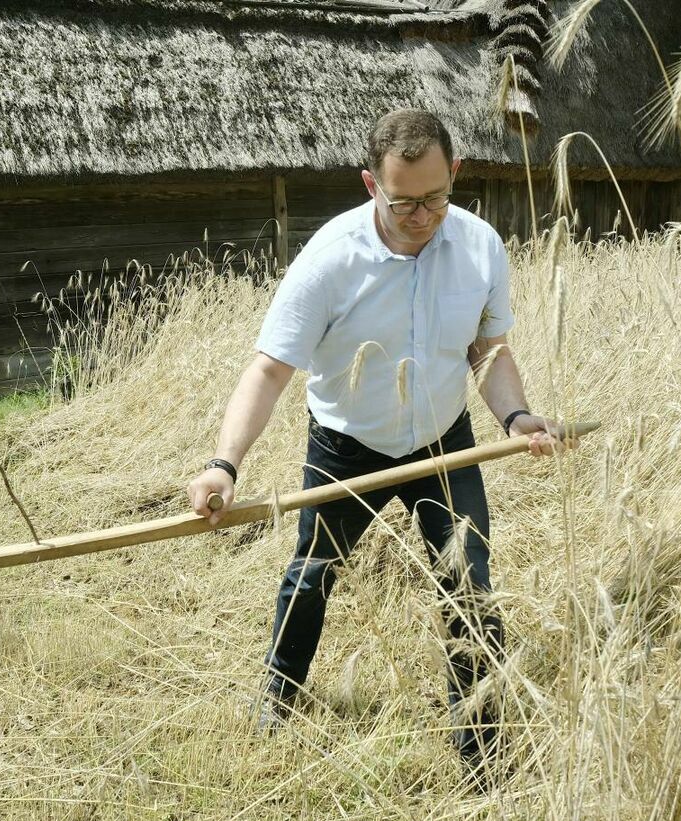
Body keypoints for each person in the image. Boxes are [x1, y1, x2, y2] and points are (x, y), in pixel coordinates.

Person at [187, 109, 576, 782]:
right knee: (312, 571)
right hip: (347, 444)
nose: (421, 214)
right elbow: (269, 369)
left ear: (453, 174)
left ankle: (480, 746)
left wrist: (515, 418)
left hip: (441, 443)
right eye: (403, 202)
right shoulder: (330, 260)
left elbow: (488, 348)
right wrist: (225, 464)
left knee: (468, 584)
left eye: (434, 197)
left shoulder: (480, 246)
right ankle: (279, 694)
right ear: (371, 184)